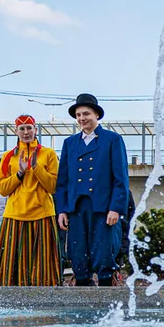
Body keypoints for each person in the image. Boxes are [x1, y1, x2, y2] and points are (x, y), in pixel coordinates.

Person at [54, 93, 129, 287]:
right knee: (78, 253)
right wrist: (62, 209)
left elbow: (121, 177)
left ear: (96, 114)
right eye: (78, 115)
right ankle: (82, 298)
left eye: (86, 113)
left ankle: (106, 293)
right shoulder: (69, 143)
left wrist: (116, 207)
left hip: (103, 207)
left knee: (104, 253)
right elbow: (62, 180)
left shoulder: (112, 139)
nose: (82, 118)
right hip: (77, 208)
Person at [0, 115, 61, 286]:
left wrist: (36, 168)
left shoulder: (49, 154)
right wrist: (19, 174)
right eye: (22, 128)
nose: (26, 132)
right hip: (15, 214)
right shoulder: (7, 157)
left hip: (42, 213)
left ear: (36, 130)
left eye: (29, 128)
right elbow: (3, 189)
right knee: (10, 264)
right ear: (16, 131)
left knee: (43, 265)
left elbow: (53, 187)